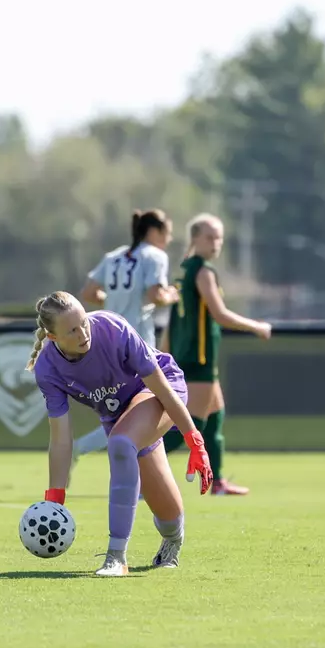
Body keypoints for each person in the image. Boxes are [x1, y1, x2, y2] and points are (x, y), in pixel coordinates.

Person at [26, 291, 212, 577]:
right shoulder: (48, 369)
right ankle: (173, 539)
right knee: (168, 515)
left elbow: (162, 389)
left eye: (83, 322)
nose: (83, 333)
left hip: (161, 392)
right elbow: (62, 438)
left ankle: (116, 558)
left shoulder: (113, 329)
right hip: (120, 415)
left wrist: (194, 441)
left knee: (122, 443)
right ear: (53, 338)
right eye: (72, 331)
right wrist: (55, 496)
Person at [162, 213, 272, 495]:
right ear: (195, 238)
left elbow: (172, 321)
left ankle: (218, 481)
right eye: (210, 236)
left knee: (214, 416)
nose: (216, 242)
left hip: (187, 357)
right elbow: (220, 315)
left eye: (219, 237)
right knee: (190, 427)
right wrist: (257, 327)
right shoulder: (202, 272)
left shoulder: (184, 271)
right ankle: (141, 467)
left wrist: (164, 354)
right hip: (199, 360)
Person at [74, 209, 179, 459]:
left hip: (108, 339)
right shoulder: (155, 256)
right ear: (154, 231)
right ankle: (80, 448)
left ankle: (82, 449)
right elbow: (156, 296)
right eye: (168, 233)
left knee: (128, 413)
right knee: (149, 409)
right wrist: (173, 295)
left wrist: (113, 301)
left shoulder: (113, 257)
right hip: (138, 342)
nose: (169, 239)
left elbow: (88, 293)